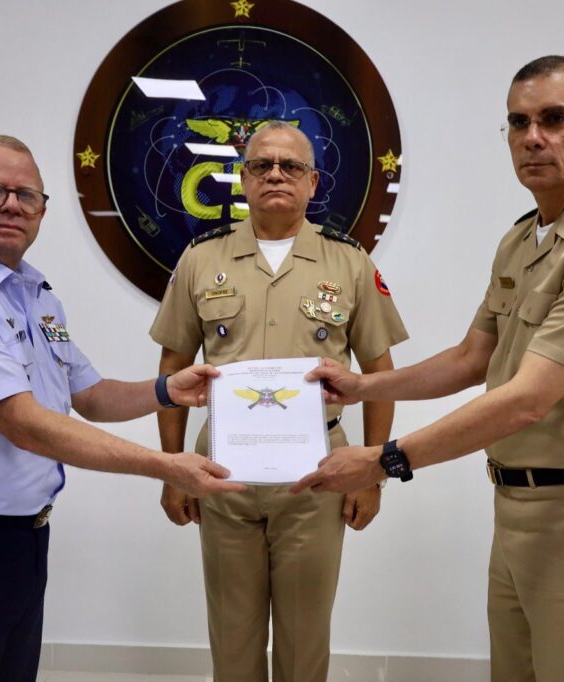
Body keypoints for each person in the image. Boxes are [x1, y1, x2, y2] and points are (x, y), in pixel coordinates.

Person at [292, 56, 564, 681]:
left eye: (555, 119)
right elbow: (474, 357)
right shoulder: (524, 239)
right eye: (519, 123)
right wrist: (364, 385)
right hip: (519, 508)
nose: (533, 138)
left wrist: (384, 460)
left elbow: (528, 399)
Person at [0, 134, 244, 682]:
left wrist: (168, 389)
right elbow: (23, 424)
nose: (11, 206)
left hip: (22, 543)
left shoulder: (34, 292)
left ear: (42, 211)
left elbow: (88, 395)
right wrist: (165, 465)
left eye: (26, 195)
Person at [149, 121, 408, 682]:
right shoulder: (201, 258)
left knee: (305, 635)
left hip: (317, 471)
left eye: (291, 166)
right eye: (261, 165)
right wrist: (172, 468)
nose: (275, 175)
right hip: (223, 469)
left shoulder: (349, 261)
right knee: (232, 634)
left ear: (312, 182)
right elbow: (172, 368)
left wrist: (373, 472)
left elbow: (379, 373)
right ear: (242, 178)